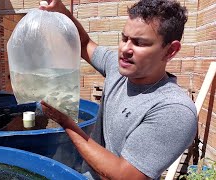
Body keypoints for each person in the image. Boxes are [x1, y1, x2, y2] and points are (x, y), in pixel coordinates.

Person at [39, 0, 198, 180]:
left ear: (170, 51)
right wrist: (62, 12)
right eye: (124, 38)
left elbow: (125, 176)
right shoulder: (118, 69)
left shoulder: (174, 110)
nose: (125, 49)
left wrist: (66, 121)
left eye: (139, 43)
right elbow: (83, 43)